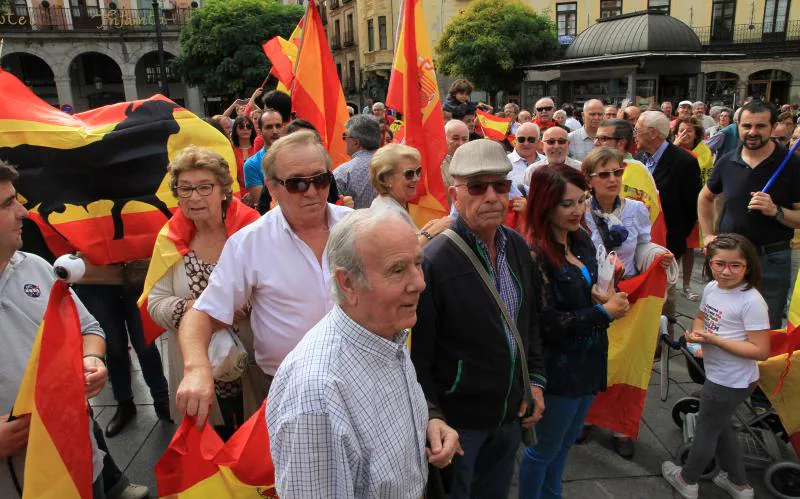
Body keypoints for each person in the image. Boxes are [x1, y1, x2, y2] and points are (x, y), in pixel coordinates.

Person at [267, 209, 462, 498]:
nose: (419, 283)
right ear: (347, 283)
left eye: (418, 263)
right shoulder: (317, 395)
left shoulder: (386, 331)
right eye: (397, 270)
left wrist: (428, 423)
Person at [175, 131, 352, 429]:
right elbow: (202, 313)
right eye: (297, 183)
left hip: (357, 378)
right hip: (289, 388)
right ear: (272, 186)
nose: (311, 191)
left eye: (320, 179)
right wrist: (196, 368)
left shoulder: (357, 227)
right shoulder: (250, 243)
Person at [413, 139, 547, 499]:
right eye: (477, 187)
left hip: (509, 415)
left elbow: (529, 322)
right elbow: (418, 359)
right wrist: (433, 416)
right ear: (455, 194)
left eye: (500, 186)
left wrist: (535, 381)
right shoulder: (434, 261)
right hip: (460, 424)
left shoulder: (517, 246)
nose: (491, 196)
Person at [518, 164, 629, 499]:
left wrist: (599, 292)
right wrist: (603, 312)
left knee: (566, 442)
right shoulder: (535, 253)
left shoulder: (579, 237)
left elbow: (585, 288)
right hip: (558, 370)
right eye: (567, 204)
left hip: (589, 360)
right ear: (544, 204)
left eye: (582, 200)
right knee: (543, 450)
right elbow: (546, 323)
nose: (578, 210)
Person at [0, 161, 109, 497]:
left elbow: (89, 328)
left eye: (15, 199)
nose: (23, 212)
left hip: (78, 459)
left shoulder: (36, 267)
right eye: (7, 204)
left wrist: (92, 360)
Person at [144, 146, 263, 440]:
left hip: (252, 361)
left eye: (204, 187)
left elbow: (279, 291)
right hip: (196, 364)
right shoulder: (169, 238)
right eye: (184, 189)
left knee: (255, 442)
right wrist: (203, 310)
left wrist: (245, 307)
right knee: (210, 445)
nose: (194, 197)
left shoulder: (253, 230)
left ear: (224, 190)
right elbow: (155, 303)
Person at [580, 147, 674, 458]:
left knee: (626, 360)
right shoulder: (577, 210)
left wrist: (658, 255)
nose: (612, 179)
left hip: (629, 296)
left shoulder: (636, 209)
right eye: (603, 174)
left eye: (617, 173)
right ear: (589, 180)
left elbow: (643, 246)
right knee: (592, 359)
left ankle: (621, 425)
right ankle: (585, 418)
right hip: (589, 296)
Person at [662, 234, 770, 499]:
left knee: (706, 431)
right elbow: (702, 317)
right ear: (709, 262)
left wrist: (714, 340)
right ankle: (739, 484)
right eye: (719, 263)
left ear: (748, 266)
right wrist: (697, 335)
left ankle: (687, 480)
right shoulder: (712, 288)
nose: (726, 271)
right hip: (721, 374)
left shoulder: (751, 301)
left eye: (735, 265)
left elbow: (761, 350)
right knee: (721, 427)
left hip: (730, 380)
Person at [698, 100, 800, 329]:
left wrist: (776, 211)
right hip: (729, 258)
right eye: (747, 126)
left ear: (773, 127)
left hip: (771, 259)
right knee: (723, 322)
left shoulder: (791, 164)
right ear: (738, 127)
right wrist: (707, 235)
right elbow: (705, 197)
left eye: (760, 126)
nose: (752, 132)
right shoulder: (727, 161)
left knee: (766, 325)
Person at [369, 143, 452, 243]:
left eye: (418, 171)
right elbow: (404, 255)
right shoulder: (389, 213)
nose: (416, 178)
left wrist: (424, 231)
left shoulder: (389, 204)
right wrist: (432, 232)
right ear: (387, 179)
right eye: (409, 174)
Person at [672, 117, 714, 302]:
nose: (685, 134)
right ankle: (671, 282)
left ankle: (687, 284)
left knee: (689, 248)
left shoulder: (704, 152)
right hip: (673, 207)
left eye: (689, 130)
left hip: (695, 206)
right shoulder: (670, 150)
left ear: (697, 134)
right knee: (673, 248)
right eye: (681, 130)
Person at [334, 115, 382, 209]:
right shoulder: (393, 166)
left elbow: (332, 210)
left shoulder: (343, 172)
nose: (344, 140)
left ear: (356, 142)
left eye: (345, 136)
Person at [243, 109, 286, 210]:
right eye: (269, 127)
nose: (275, 131)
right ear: (260, 131)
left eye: (278, 126)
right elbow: (264, 206)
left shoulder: (297, 156)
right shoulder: (251, 165)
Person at [508, 122, 543, 187]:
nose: (526, 143)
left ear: (538, 141)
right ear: (516, 141)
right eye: (521, 139)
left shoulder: (547, 162)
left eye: (531, 139)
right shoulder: (505, 163)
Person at [231, 115, 256, 197]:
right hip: (237, 193)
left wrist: (252, 193)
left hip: (258, 190)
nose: (245, 129)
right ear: (235, 130)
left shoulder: (258, 147)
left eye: (248, 126)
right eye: (241, 127)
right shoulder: (231, 149)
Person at [441, 119, 471, 191]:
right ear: (444, 138)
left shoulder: (476, 162)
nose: (461, 143)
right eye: (455, 138)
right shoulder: (435, 165)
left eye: (464, 139)